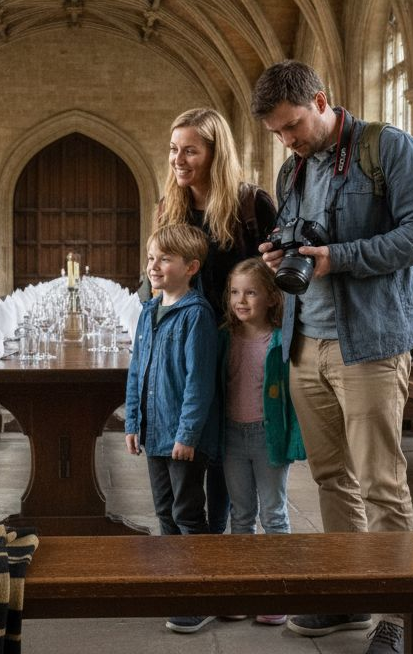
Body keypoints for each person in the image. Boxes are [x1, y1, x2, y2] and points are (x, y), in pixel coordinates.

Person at [252, 60, 413, 654]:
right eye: (278, 134)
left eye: (293, 126)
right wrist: (278, 254)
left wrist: (339, 257)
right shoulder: (292, 172)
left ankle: (395, 616)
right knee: (331, 478)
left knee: (381, 483)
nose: (288, 141)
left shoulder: (386, 148)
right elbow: (300, 241)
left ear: (321, 99)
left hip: (371, 343)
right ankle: (348, 596)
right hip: (305, 343)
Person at [158, 107, 279, 534]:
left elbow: (276, 276)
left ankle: (224, 534)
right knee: (190, 443)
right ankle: (196, 542)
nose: (178, 159)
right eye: (174, 150)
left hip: (238, 345)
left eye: (189, 150)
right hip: (187, 343)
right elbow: (156, 274)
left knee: (229, 445)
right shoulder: (169, 207)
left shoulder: (252, 203)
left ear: (215, 153)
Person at [123, 223, 221, 635]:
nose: (154, 266)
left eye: (165, 258)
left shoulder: (196, 316)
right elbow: (136, 371)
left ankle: (199, 596)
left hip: (181, 438)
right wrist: (131, 420)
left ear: (191, 266)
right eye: (151, 258)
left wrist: (187, 435)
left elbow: (199, 384)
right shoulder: (149, 311)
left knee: (187, 512)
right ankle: (174, 581)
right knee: (164, 511)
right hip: (154, 432)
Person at [218, 258, 305, 627]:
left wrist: (294, 439)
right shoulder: (225, 336)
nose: (241, 300)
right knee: (240, 516)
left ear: (271, 297)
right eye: (235, 292)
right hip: (232, 436)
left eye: (251, 292)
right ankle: (244, 590)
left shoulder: (282, 338)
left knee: (273, 514)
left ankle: (277, 592)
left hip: (268, 436)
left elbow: (295, 395)